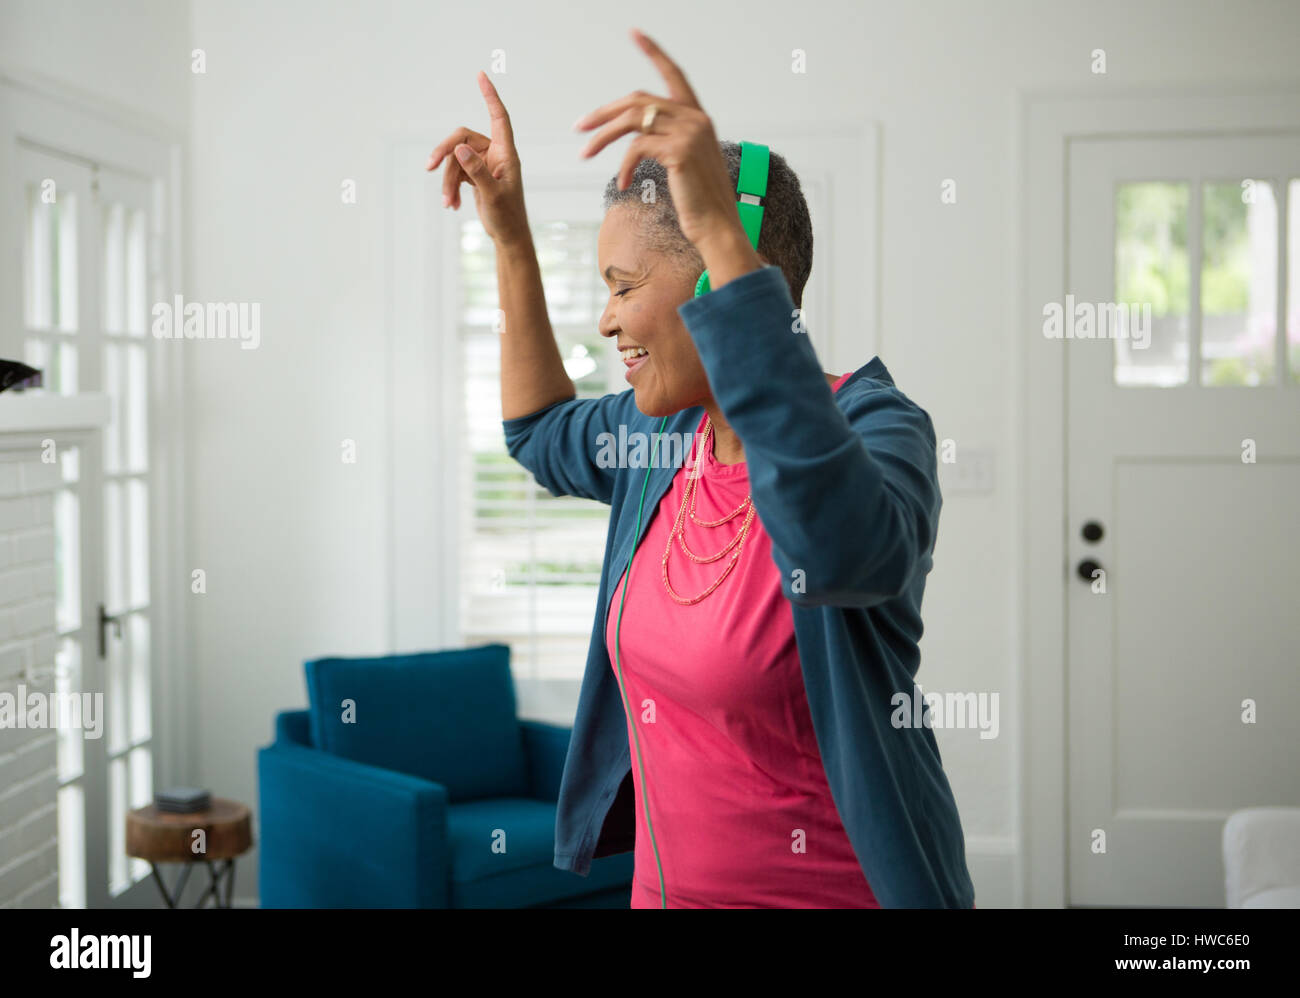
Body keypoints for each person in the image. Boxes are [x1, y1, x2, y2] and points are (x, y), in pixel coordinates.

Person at [427, 27, 975, 909]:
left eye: (623, 285)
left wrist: (722, 227)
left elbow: (845, 550)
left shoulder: (876, 427)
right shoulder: (662, 439)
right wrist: (511, 241)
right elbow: (538, 431)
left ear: (724, 286)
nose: (606, 324)